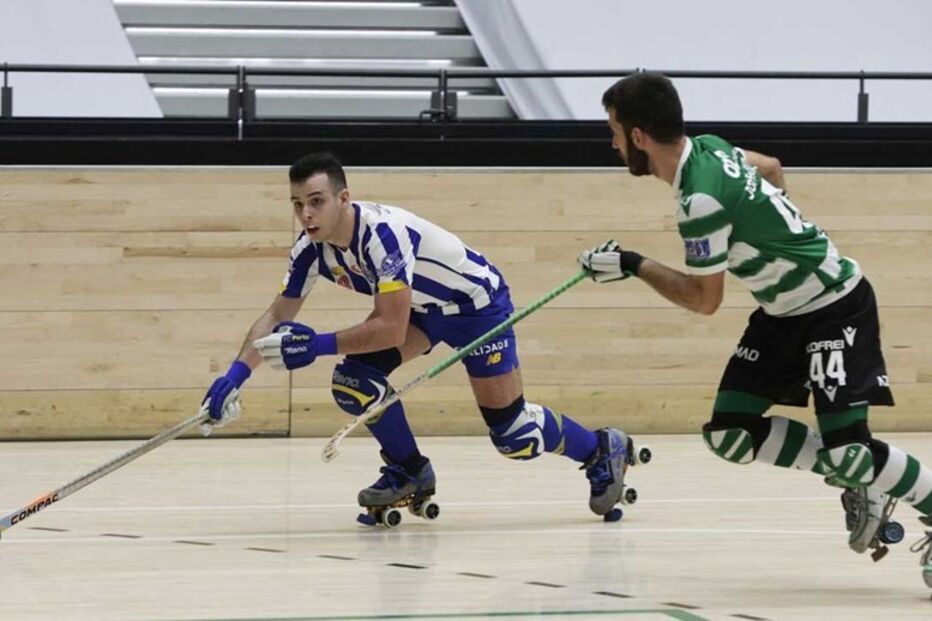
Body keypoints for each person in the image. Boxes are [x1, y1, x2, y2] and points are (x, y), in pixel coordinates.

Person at [578, 72, 932, 584]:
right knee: (730, 435)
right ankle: (861, 481)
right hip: (782, 314)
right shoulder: (710, 148)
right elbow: (773, 168)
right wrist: (773, 229)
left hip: (835, 305)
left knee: (852, 451)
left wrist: (633, 264)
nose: (611, 143)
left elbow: (704, 301)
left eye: (613, 130)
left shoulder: (700, 199)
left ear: (638, 137)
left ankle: (890, 486)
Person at [200, 151, 637, 523]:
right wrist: (234, 377)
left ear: (343, 198)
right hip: (424, 312)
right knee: (354, 381)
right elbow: (277, 314)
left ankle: (601, 449)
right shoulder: (309, 250)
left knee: (514, 435)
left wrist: (315, 345)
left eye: (316, 202)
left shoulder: (382, 237)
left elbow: (390, 328)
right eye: (298, 205)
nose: (307, 214)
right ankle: (409, 471)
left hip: (476, 308)